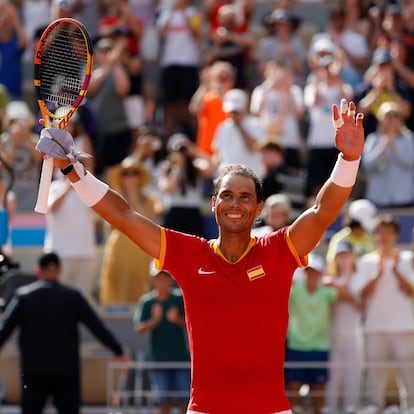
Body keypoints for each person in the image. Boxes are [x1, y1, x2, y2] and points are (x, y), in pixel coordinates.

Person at [40, 98, 365, 414]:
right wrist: (72, 169)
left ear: (259, 208)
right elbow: (124, 216)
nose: (235, 204)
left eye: (244, 197)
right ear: (213, 203)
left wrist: (348, 159)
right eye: (226, 195)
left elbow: (323, 211)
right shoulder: (188, 253)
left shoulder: (279, 249)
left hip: (270, 410)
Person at [0, 252, 126, 414]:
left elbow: (5, 330)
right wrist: (118, 350)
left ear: (38, 271)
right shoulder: (72, 297)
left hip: (33, 370)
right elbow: (97, 327)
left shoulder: (23, 297)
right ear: (59, 270)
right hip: (66, 370)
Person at [357, 214, 414, 413]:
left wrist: (396, 269)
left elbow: (410, 291)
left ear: (396, 235)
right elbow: (361, 294)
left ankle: (410, 407)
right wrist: (379, 273)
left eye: (389, 232)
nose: (385, 236)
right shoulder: (366, 261)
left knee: (409, 372)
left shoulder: (406, 259)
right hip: (375, 326)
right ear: (375, 235)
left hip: (403, 326)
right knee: (374, 372)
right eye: (381, 232)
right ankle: (374, 405)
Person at [286, 254, 340, 414]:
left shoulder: (327, 293)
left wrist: (334, 283)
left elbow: (349, 296)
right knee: (294, 387)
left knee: (318, 390)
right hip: (296, 346)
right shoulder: (295, 291)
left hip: (319, 347)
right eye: (309, 271)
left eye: (315, 272)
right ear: (305, 273)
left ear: (320, 274)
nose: (311, 275)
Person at [133, 261, 190, 414]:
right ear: (152, 280)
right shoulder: (147, 301)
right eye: (158, 278)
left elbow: (193, 325)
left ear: (171, 279)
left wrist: (177, 319)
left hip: (181, 359)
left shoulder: (179, 298)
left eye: (165, 278)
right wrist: (154, 321)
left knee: (185, 399)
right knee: (162, 400)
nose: (162, 282)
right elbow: (139, 327)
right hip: (158, 360)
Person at [324, 241, 364, 414]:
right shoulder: (328, 281)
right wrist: (344, 292)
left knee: (353, 374)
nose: (343, 258)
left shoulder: (360, 279)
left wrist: (342, 292)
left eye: (346, 254)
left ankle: (351, 407)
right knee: (333, 374)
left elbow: (361, 306)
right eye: (340, 255)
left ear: (353, 257)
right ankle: (331, 407)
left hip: (355, 333)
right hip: (333, 334)